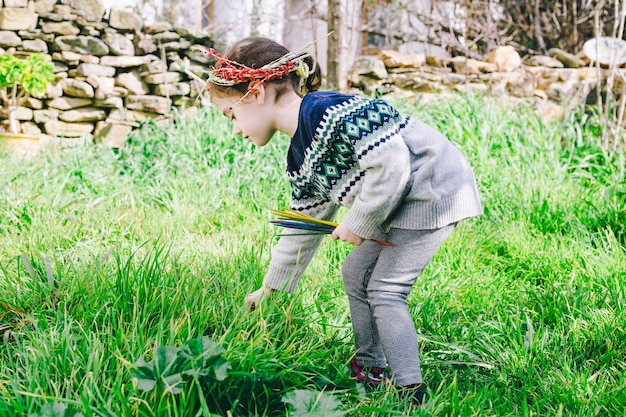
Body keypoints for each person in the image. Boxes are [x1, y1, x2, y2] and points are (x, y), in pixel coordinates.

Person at [206, 36, 483, 405]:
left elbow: (393, 162)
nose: (236, 129)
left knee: (386, 289)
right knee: (356, 273)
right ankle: (371, 368)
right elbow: (301, 230)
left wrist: (359, 220)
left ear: (256, 91)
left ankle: (409, 392)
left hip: (434, 188)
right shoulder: (301, 158)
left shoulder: (330, 111)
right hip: (403, 199)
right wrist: (271, 289)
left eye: (231, 115)